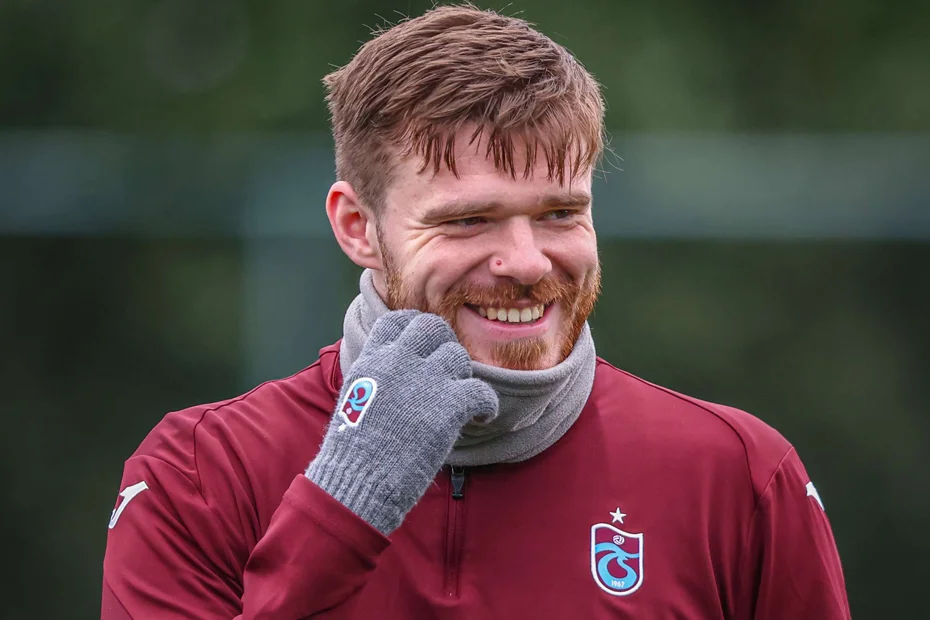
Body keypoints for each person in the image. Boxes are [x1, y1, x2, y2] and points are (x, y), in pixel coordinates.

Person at [101, 4, 850, 619]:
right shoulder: (197, 475)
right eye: (468, 221)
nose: (527, 262)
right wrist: (344, 504)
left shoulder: (738, 476)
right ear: (358, 228)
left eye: (559, 214)